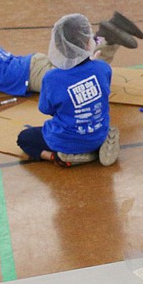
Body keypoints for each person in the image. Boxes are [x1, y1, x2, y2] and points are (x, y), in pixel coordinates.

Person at [0, 12, 143, 95]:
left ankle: (107, 39)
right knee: (75, 63)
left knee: (81, 77)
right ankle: (107, 36)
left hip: (29, 77)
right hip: (31, 63)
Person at [15, 14, 120, 168]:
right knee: (101, 122)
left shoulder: (51, 77)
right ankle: (98, 146)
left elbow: (46, 109)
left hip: (65, 141)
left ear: (58, 46)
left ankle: (56, 157)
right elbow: (104, 94)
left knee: (24, 138)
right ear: (87, 43)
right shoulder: (102, 67)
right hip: (97, 133)